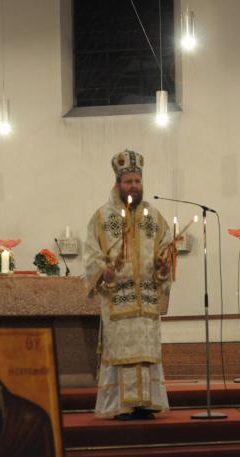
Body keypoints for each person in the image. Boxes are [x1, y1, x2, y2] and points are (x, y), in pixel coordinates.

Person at [84, 149, 173, 420]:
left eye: (137, 181)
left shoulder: (153, 216)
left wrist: (164, 266)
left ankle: (146, 403)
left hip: (146, 300)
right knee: (121, 353)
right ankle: (120, 405)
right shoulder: (101, 217)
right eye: (128, 181)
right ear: (118, 183)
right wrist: (103, 273)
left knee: (146, 353)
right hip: (118, 300)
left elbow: (166, 248)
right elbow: (91, 254)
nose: (134, 185)